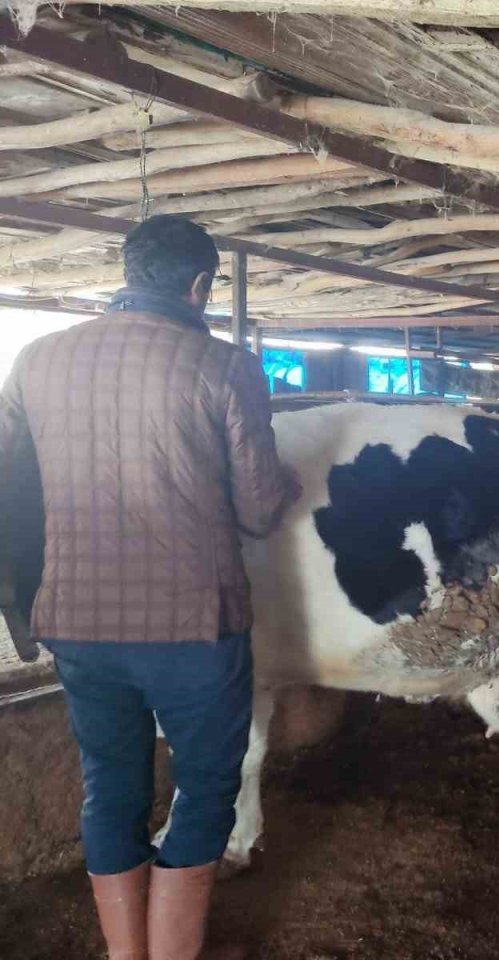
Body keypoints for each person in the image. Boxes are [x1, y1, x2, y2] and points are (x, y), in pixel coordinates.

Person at [0, 216, 300, 959]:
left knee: (110, 787)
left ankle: (128, 954)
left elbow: (12, 490)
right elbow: (260, 510)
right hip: (192, 628)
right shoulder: (226, 367)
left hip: (75, 620)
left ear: (127, 274)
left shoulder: (35, 361)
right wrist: (289, 479)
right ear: (200, 287)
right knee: (203, 787)